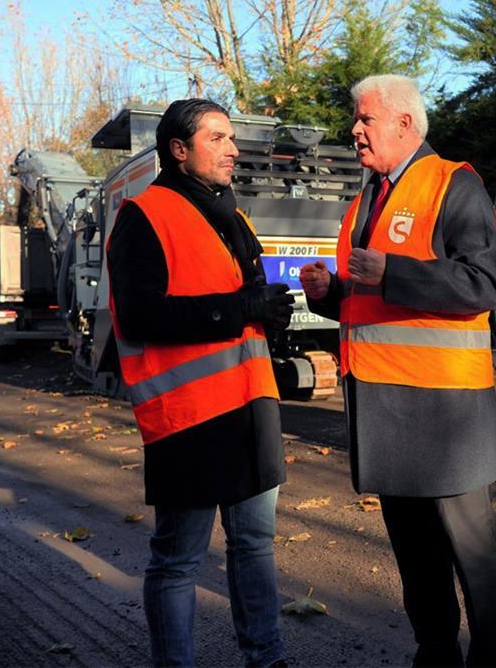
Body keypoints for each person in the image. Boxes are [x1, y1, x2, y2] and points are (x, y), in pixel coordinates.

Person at [299, 74, 496, 667]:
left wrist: (387, 274)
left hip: (445, 411)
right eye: (357, 119)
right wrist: (331, 291)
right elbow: (368, 300)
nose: (355, 130)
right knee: (416, 553)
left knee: (472, 552)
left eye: (365, 119)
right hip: (384, 406)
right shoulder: (370, 194)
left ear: (404, 123)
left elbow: (481, 286)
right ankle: (436, 652)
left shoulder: (454, 183)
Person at [106, 98, 295, 668]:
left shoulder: (234, 217)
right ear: (179, 149)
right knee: (178, 561)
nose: (233, 148)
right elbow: (139, 318)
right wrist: (240, 307)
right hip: (187, 416)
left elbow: (242, 301)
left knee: (255, 545)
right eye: (217, 138)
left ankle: (266, 658)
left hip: (250, 407)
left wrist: (268, 311)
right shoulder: (142, 216)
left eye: (231, 137)